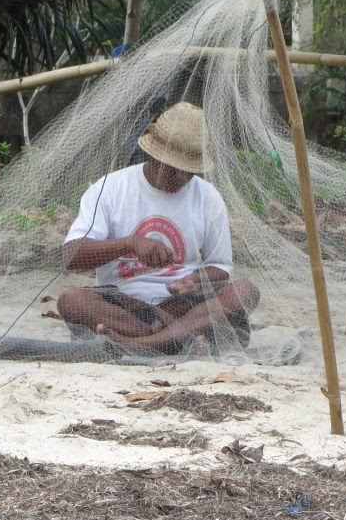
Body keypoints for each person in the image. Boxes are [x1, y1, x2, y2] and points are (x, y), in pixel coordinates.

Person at [57, 102, 259, 353]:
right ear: (152, 155)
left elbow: (220, 269)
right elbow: (71, 256)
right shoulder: (109, 189)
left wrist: (194, 280)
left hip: (183, 305)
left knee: (245, 291)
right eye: (172, 169)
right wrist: (131, 243)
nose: (181, 178)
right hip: (125, 304)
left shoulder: (208, 196)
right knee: (72, 301)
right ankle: (173, 339)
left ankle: (141, 343)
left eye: (188, 171)